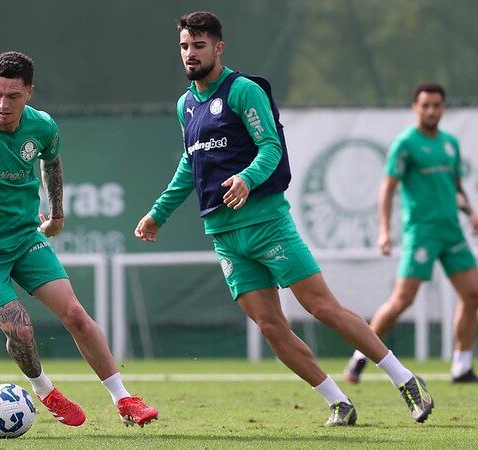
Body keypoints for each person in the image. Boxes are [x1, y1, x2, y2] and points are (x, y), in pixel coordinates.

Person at [134, 11, 433, 426]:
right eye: (185, 46)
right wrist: (157, 213)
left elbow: (270, 146)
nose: (190, 53)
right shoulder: (185, 105)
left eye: (199, 45)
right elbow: (191, 165)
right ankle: (338, 403)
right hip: (224, 235)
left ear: (219, 48)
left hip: (266, 224)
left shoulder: (243, 90)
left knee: (321, 307)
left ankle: (406, 380)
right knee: (271, 327)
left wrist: (246, 179)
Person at [0, 51, 158, 427]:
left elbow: (52, 161)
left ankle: (124, 399)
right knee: (21, 327)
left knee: (75, 314)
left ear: (30, 92)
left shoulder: (42, 126)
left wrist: (57, 214)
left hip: (24, 237)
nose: (2, 104)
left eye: (13, 96)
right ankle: (44, 390)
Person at [344, 83, 478, 384]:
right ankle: (360, 356)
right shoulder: (405, 144)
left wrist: (470, 212)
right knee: (402, 301)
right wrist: (384, 230)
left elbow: (455, 186)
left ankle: (462, 366)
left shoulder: (449, 144)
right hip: (422, 232)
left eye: (437, 105)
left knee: (472, 294)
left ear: (443, 108)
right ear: (415, 108)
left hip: (452, 231)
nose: (432, 110)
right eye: (426, 105)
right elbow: (387, 188)